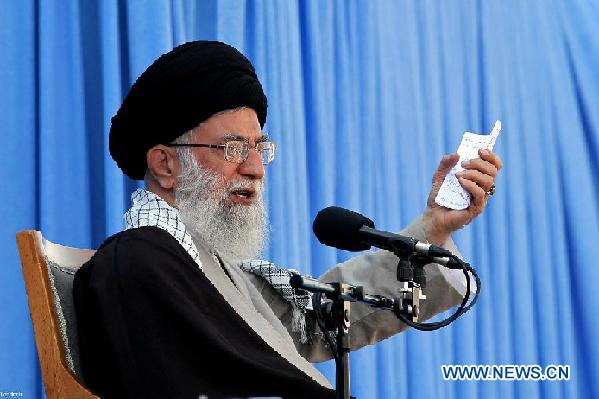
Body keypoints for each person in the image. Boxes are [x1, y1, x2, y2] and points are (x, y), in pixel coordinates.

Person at [73, 40, 503, 399]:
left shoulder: (209, 265)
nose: (256, 169)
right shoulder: (144, 261)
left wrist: (434, 226)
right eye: (233, 148)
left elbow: (316, 320)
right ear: (165, 164)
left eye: (260, 147)